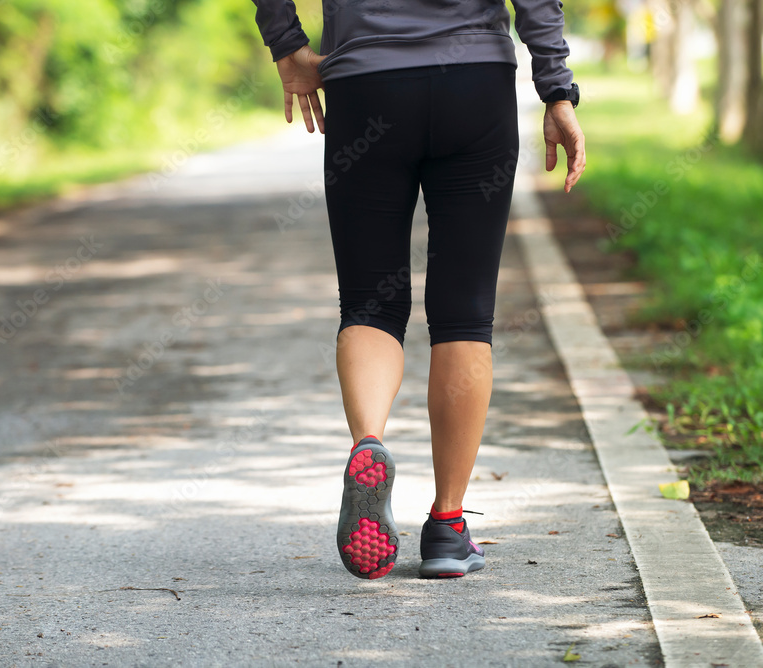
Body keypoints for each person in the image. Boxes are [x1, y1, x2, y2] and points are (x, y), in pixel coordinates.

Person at [251, 0, 586, 579]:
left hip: (367, 86)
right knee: (464, 315)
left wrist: (286, 44)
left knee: (368, 306)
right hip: (475, 85)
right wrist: (556, 90)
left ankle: (369, 444)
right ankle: (448, 529)